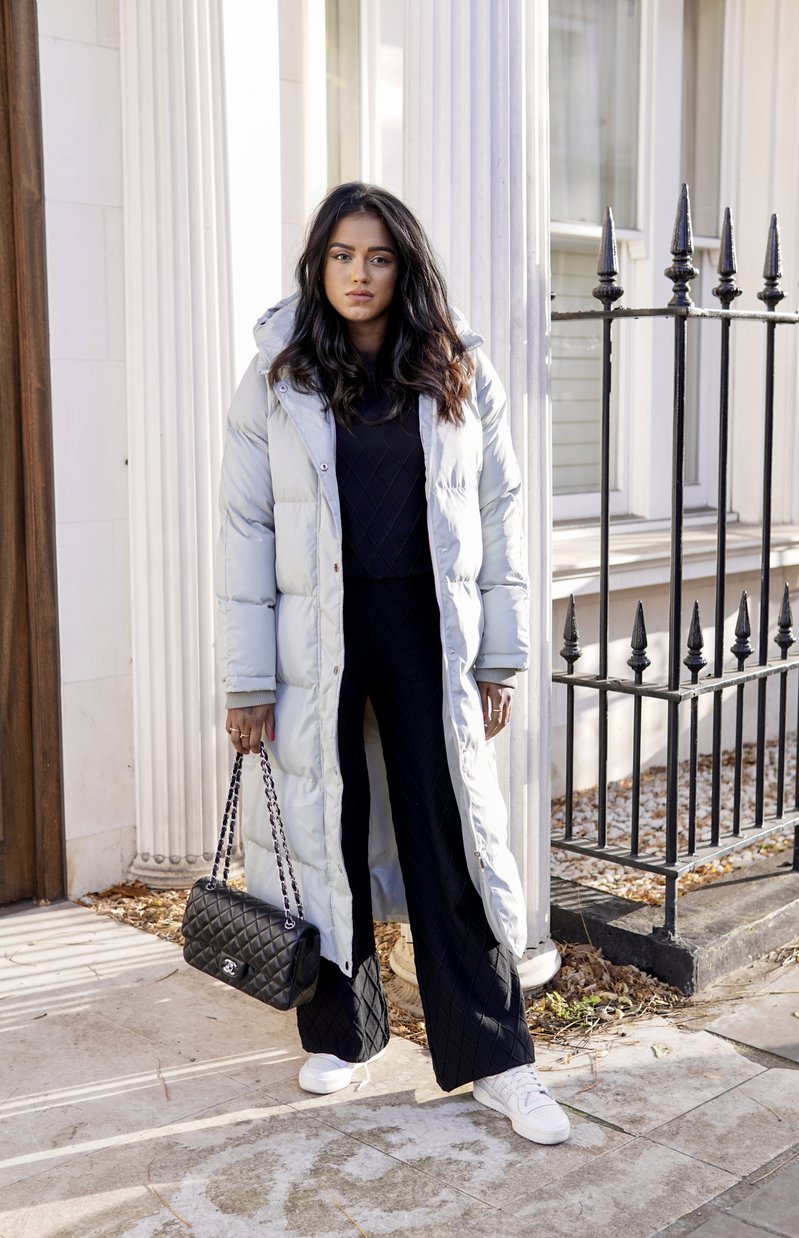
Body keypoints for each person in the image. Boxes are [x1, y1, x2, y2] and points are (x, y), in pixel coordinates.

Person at [216, 182, 569, 1145]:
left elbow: (500, 515)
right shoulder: (275, 377)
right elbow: (243, 530)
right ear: (316, 264)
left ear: (403, 266)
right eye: (341, 255)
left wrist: (500, 654)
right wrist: (247, 680)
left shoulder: (457, 370)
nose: (359, 275)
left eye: (377, 257)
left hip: (426, 632)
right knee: (328, 831)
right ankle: (343, 1032)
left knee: (448, 837)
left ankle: (498, 1059)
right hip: (313, 640)